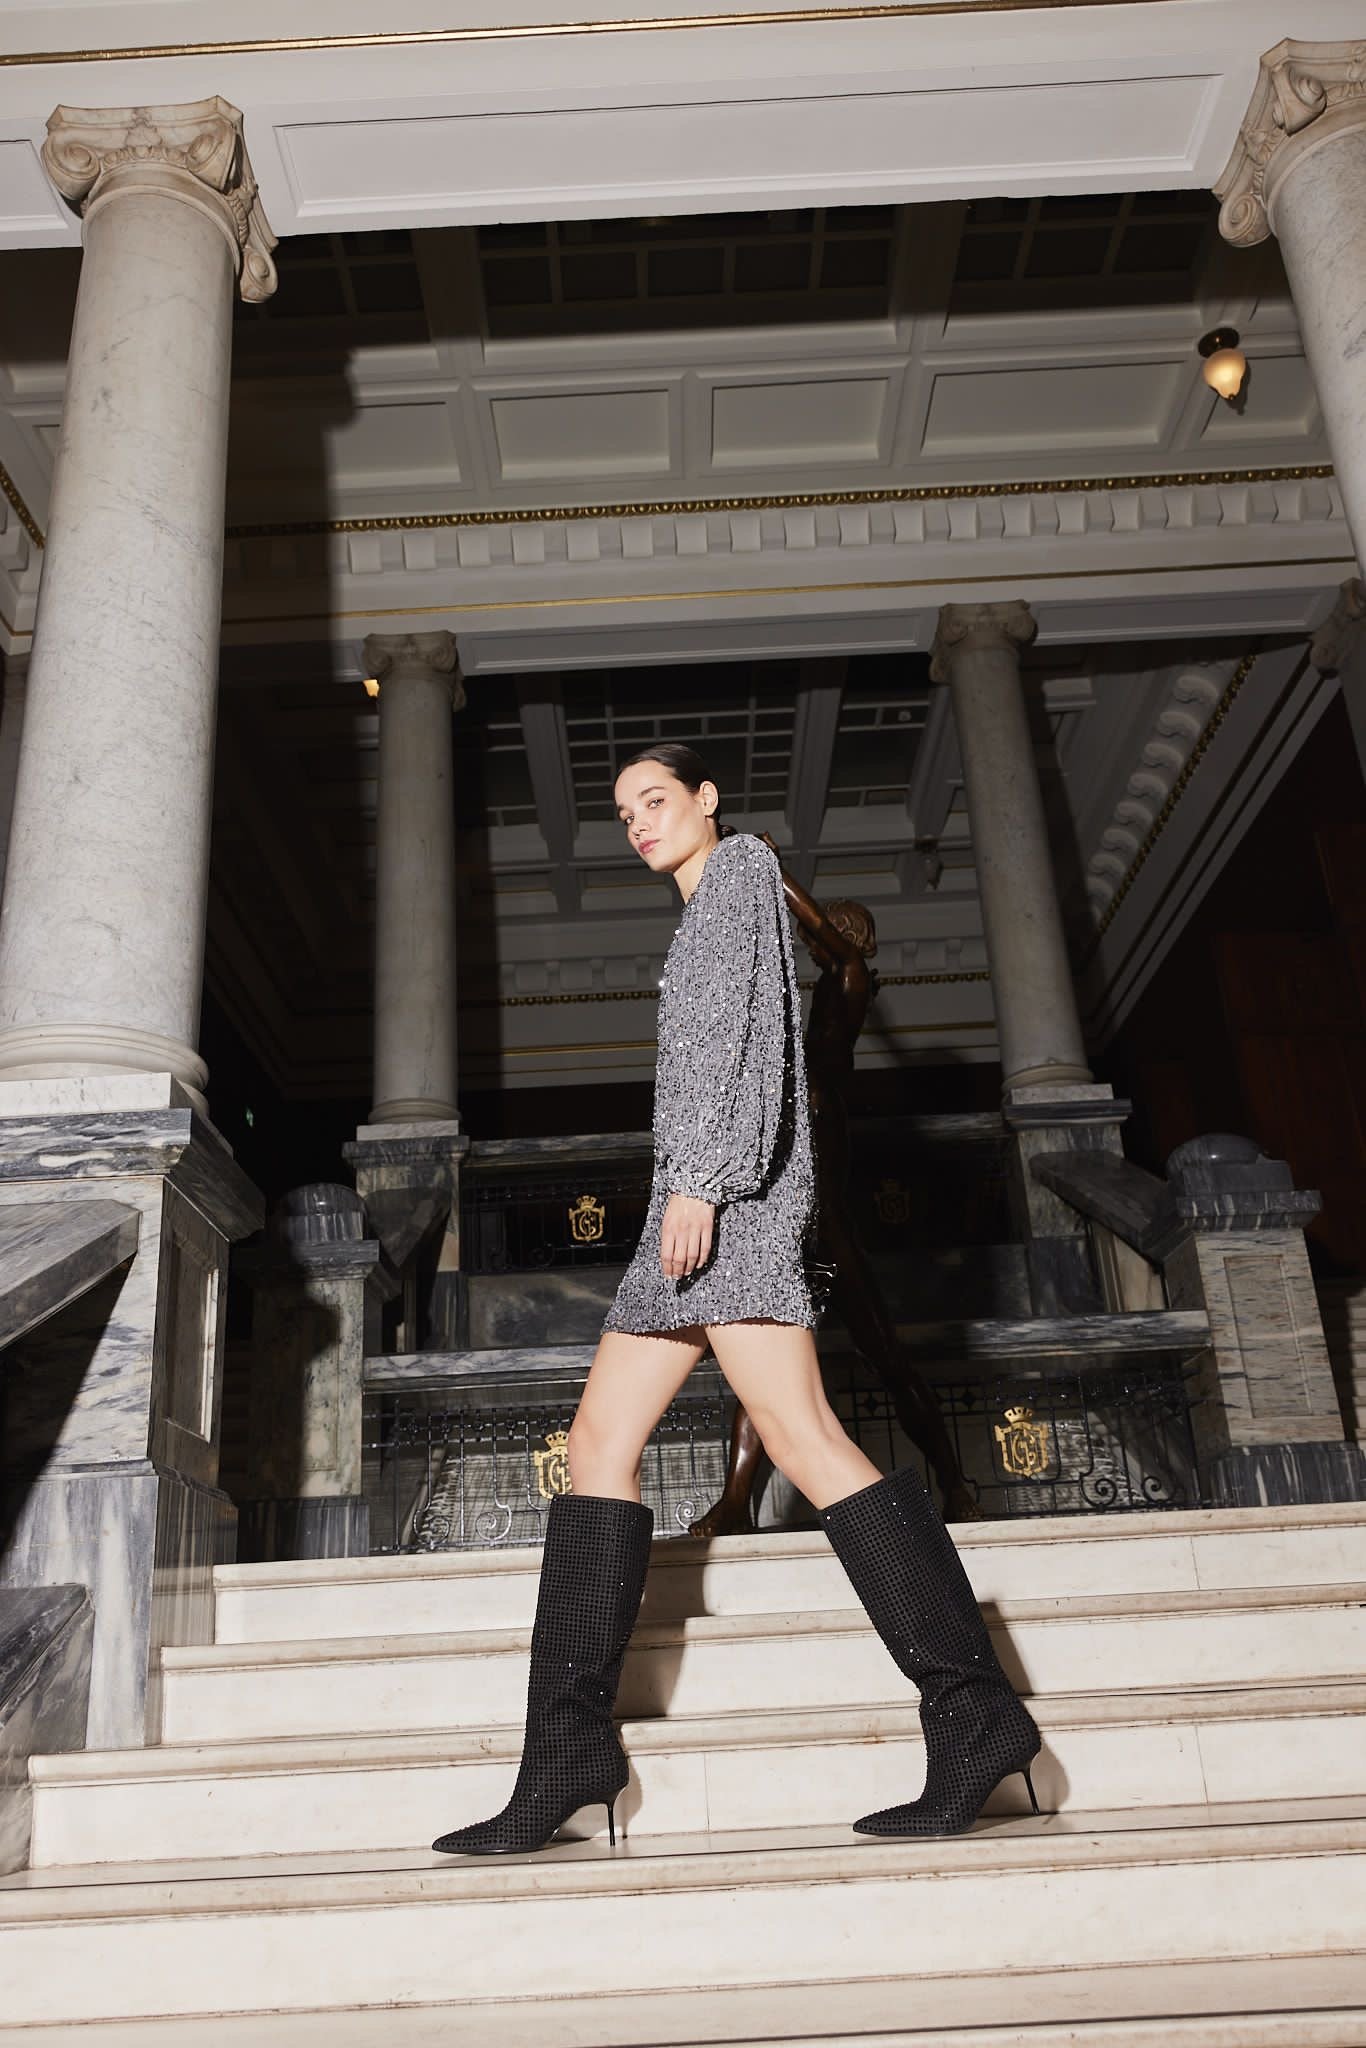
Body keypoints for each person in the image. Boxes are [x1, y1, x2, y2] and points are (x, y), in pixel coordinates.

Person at [432, 744, 1039, 1857]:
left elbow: (745, 1044)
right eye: (623, 811)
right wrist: (691, 1183)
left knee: (807, 1441)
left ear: (705, 800)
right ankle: (567, 1753)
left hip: (728, 1207)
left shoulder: (740, 871)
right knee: (601, 1445)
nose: (638, 821)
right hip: (696, 1209)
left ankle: (975, 1711)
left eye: (655, 799)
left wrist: (705, 1179)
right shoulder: (706, 903)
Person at [690, 869, 980, 1536]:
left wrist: (772, 875)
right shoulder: (804, 1033)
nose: (812, 939)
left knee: (889, 1362)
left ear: (849, 938)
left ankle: (956, 1483)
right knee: (761, 1362)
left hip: (830, 1230)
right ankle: (735, 1503)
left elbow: (833, 944)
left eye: (825, 932)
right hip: (786, 1227)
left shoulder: (846, 991)